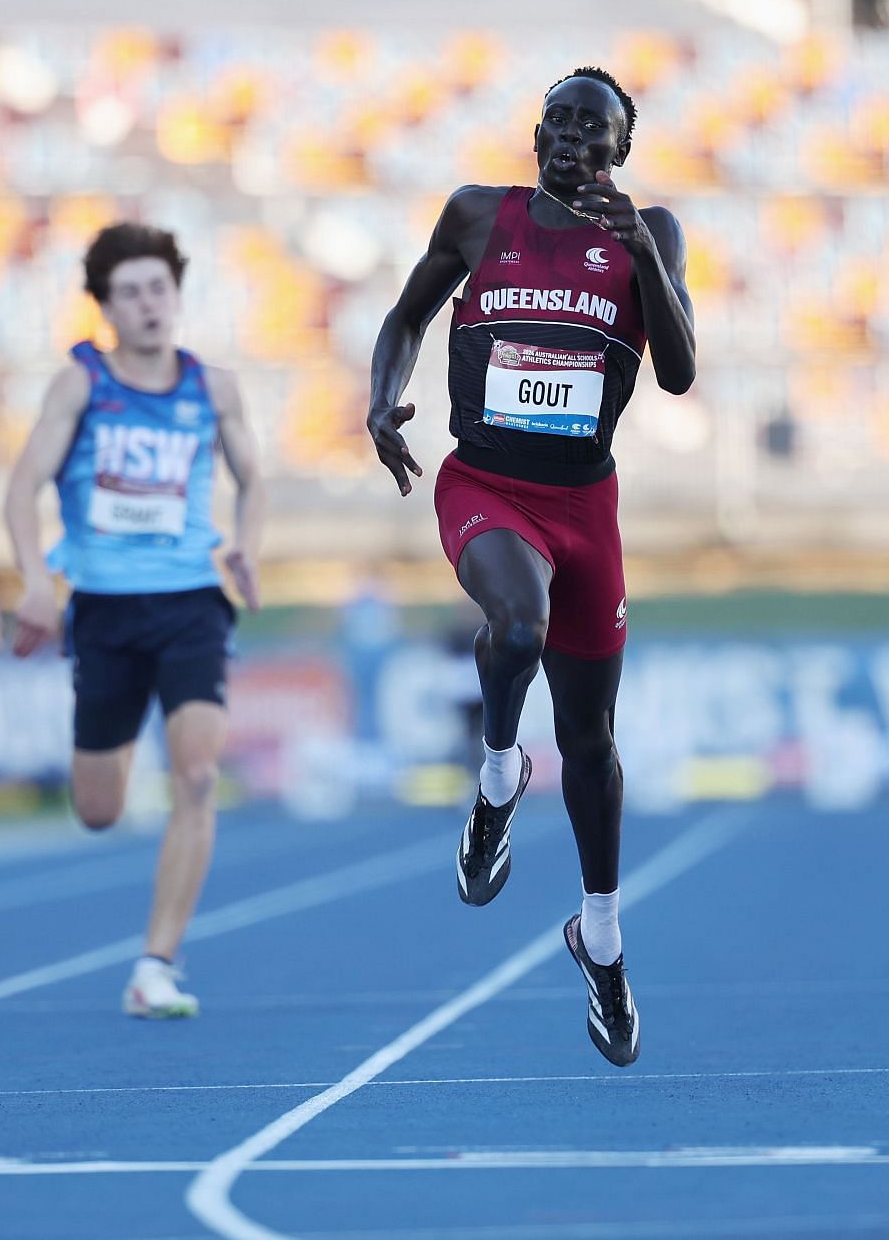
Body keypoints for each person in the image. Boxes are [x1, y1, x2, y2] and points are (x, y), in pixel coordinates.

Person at [367, 66, 695, 1066]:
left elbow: (678, 371)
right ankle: (499, 778)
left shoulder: (654, 231)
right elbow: (406, 318)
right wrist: (382, 401)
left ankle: (600, 940)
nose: (568, 139)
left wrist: (641, 252)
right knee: (517, 627)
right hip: (486, 486)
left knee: (592, 744)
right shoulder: (477, 215)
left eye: (591, 130)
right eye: (556, 122)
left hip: (586, 509)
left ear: (619, 152)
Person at [5, 223, 263, 1018]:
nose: (149, 304)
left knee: (195, 774)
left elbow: (254, 477)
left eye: (159, 289)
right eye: (131, 293)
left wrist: (246, 549)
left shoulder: (213, 387)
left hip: (190, 600)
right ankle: (152, 947)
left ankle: (156, 964)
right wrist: (36, 582)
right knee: (99, 809)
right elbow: (21, 490)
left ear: (177, 296)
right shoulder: (80, 384)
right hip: (105, 610)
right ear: (106, 307)